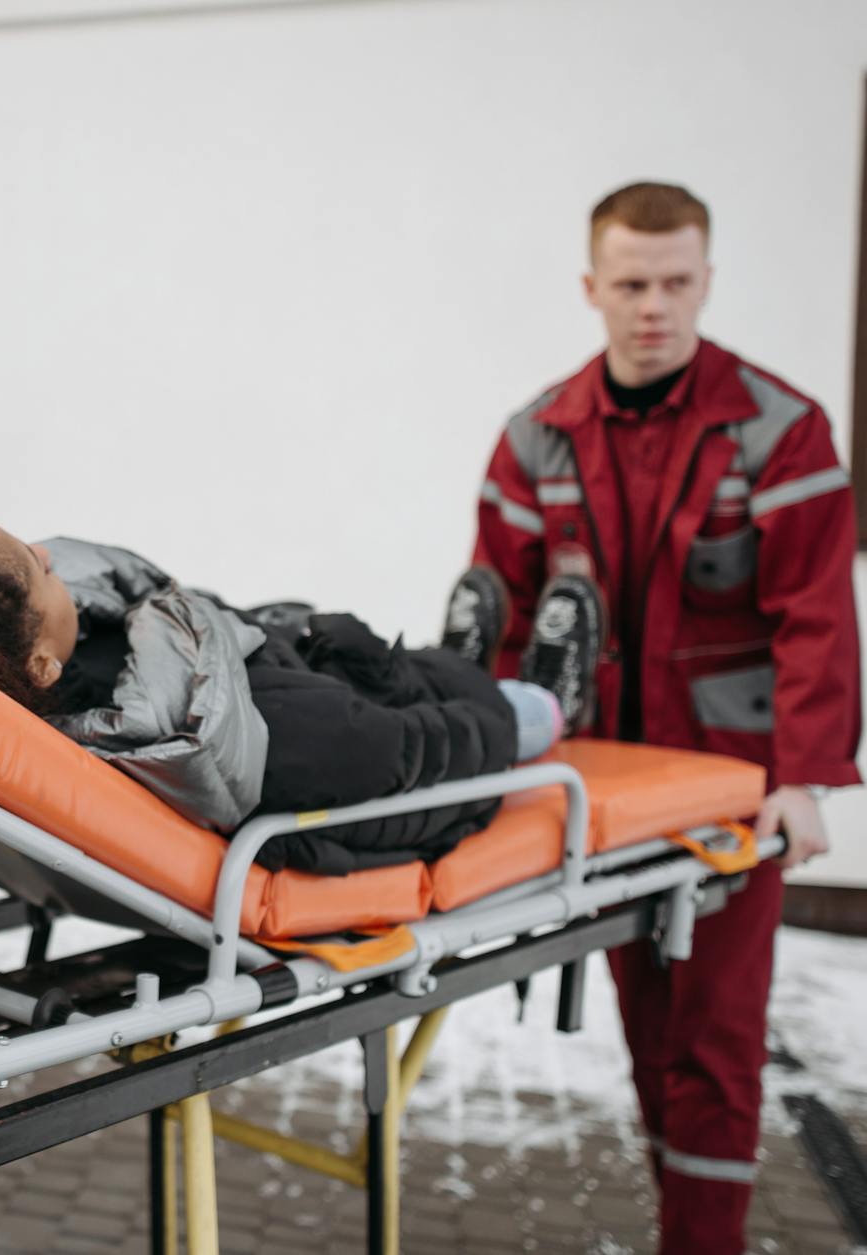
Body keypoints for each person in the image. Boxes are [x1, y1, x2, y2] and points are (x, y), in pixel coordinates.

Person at [454, 181, 860, 1254]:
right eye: (630, 283)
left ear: (706, 282)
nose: (652, 306)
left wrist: (803, 778)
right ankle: (686, 1222)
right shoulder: (534, 437)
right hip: (599, 792)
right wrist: (486, 775)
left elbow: (815, 616)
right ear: (591, 287)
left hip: (733, 792)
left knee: (714, 1042)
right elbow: (492, 622)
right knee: (648, 1037)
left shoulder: (779, 429)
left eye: (675, 282)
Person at [0, 520, 578, 875]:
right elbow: (422, 757)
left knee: (381, 658)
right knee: (453, 702)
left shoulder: (20, 685)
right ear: (39, 661)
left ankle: (450, 663)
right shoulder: (261, 737)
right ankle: (545, 699)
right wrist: (499, 721)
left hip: (291, 675)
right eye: (38, 569)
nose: (48, 552)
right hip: (361, 746)